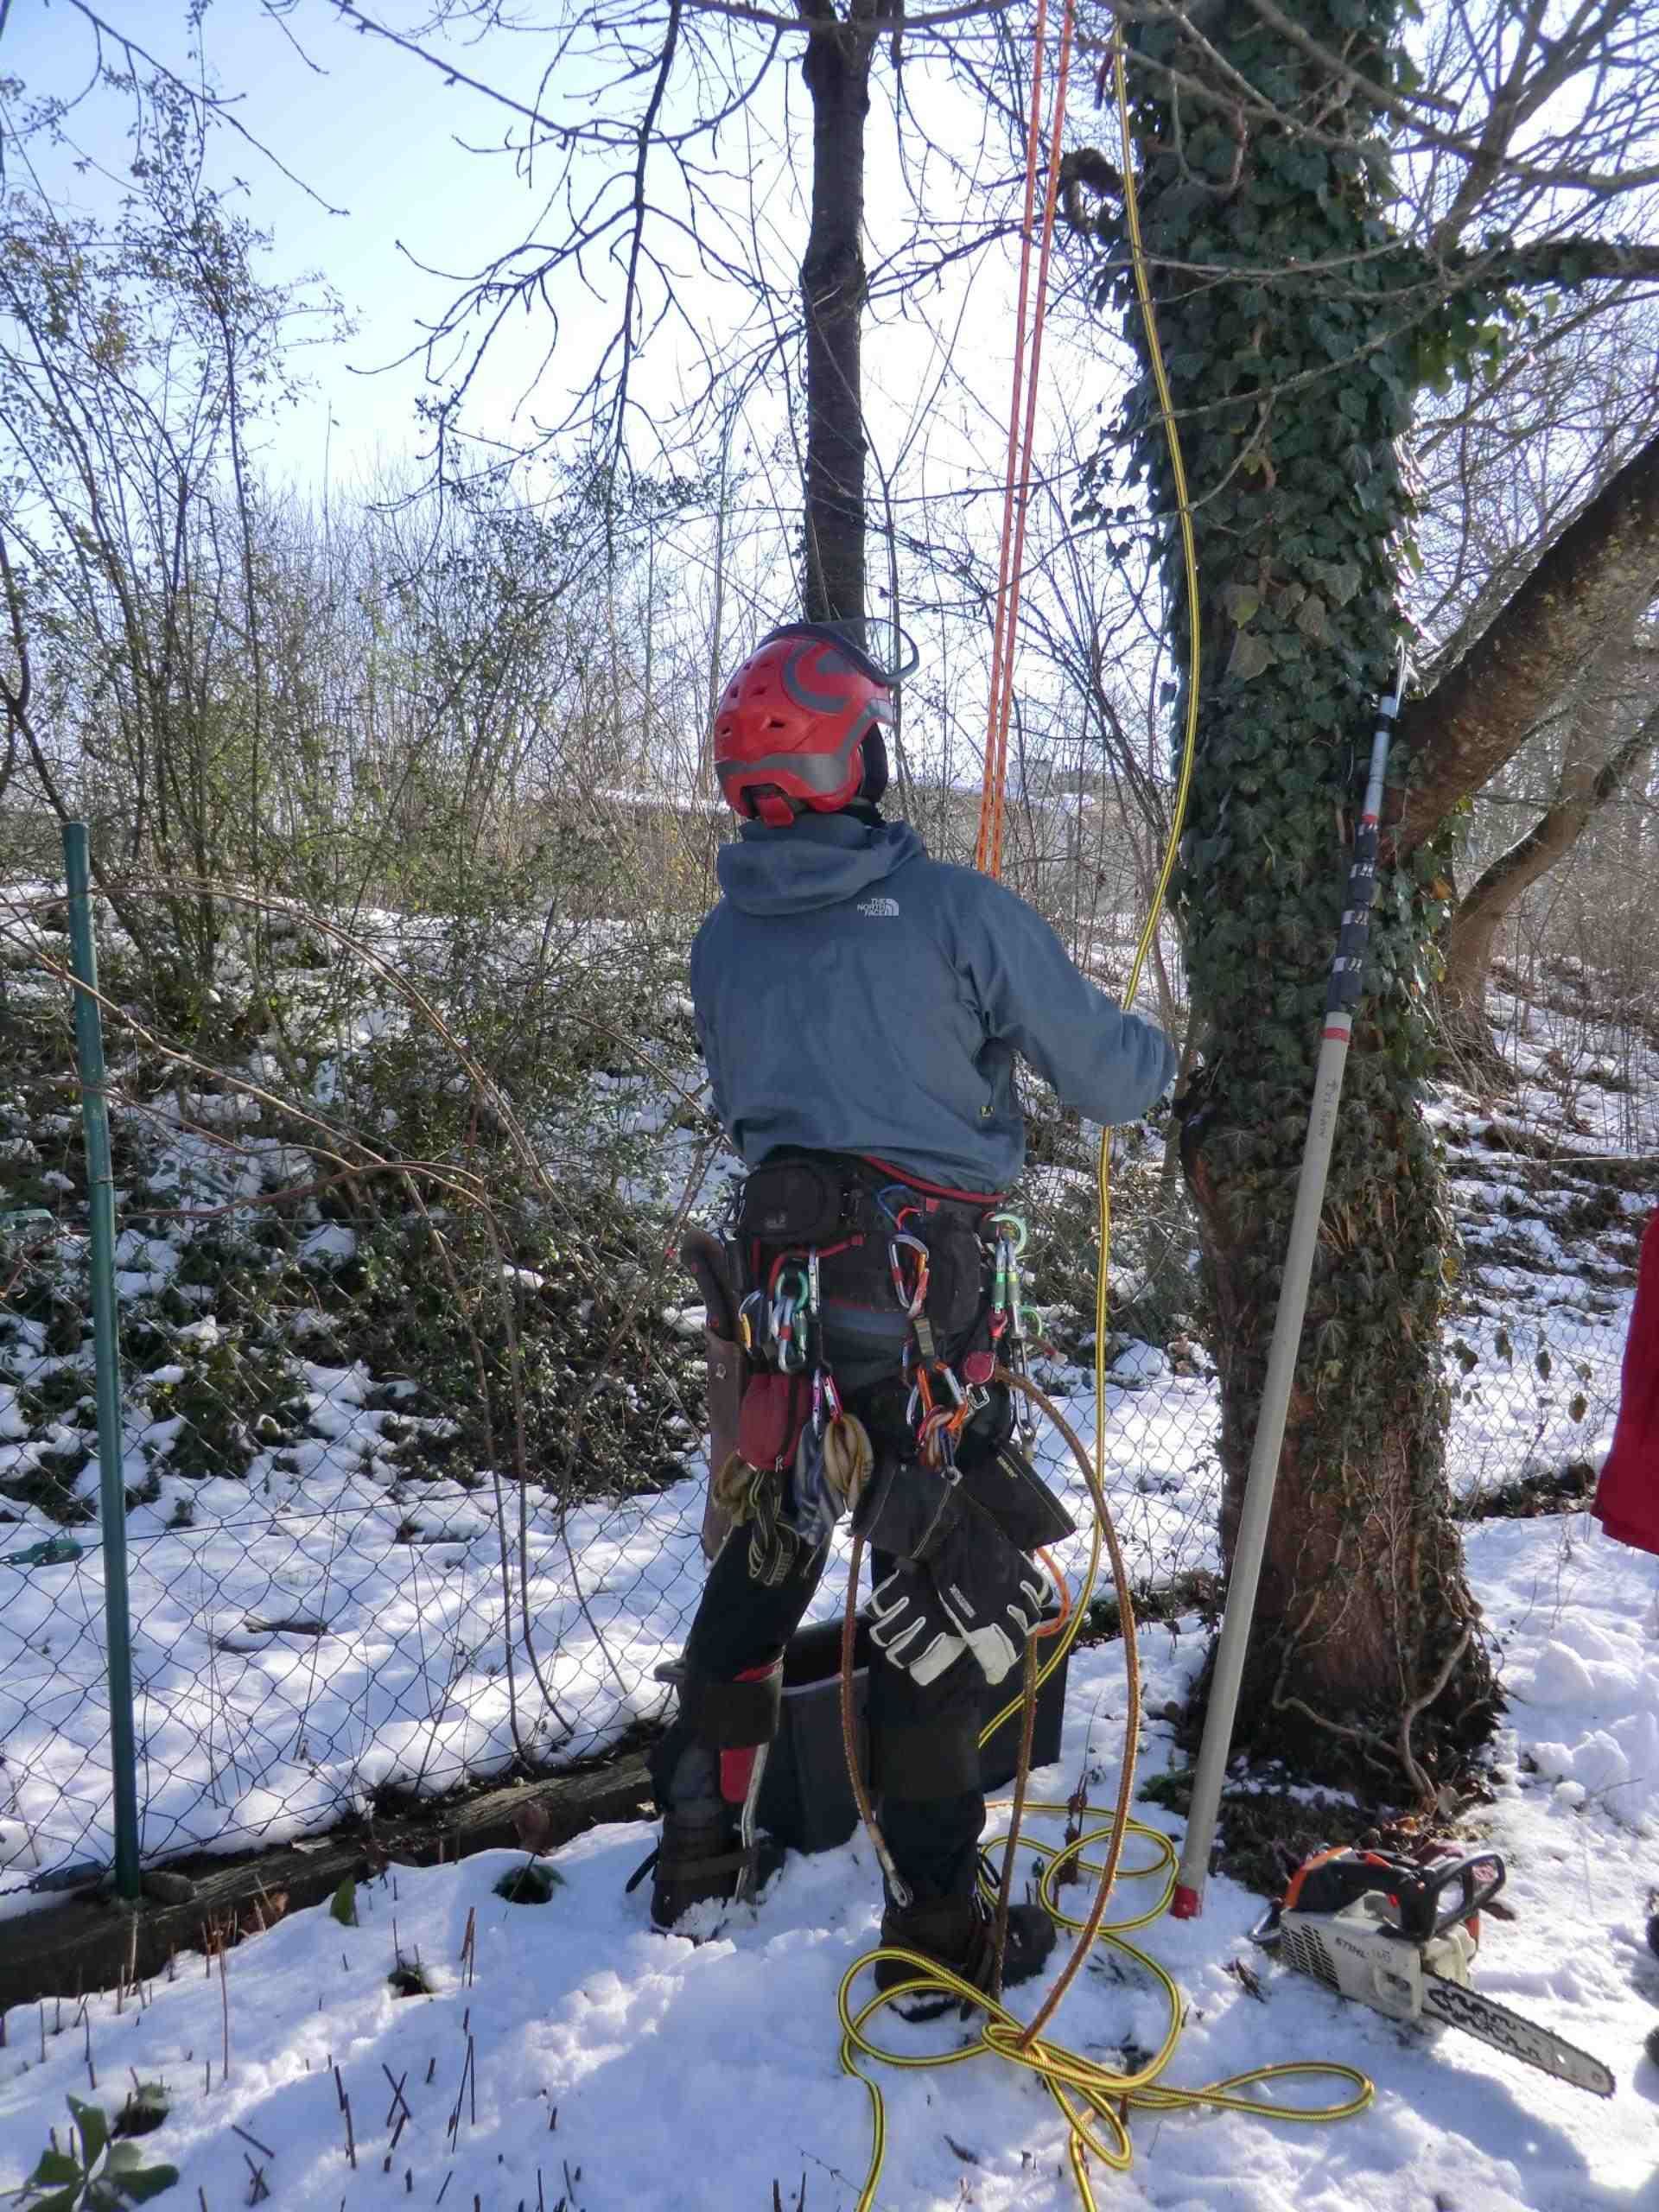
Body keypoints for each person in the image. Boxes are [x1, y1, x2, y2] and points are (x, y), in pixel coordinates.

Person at [642, 620, 1176, 2011]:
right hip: (924, 1325)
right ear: (850, 757)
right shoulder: (957, 914)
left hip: (785, 1321)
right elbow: (1114, 1084)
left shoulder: (721, 944)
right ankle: (940, 1918)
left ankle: (698, 1836)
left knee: (769, 1554)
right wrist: (1157, 1049)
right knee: (945, 1595)